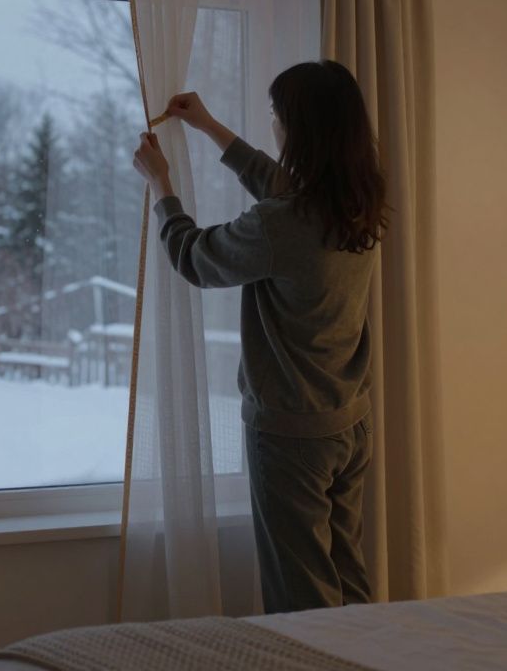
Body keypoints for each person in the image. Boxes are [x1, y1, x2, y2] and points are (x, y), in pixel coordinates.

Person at [131, 59, 387, 614]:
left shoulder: (283, 223)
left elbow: (194, 258)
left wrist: (161, 186)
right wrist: (209, 126)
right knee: (347, 577)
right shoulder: (358, 202)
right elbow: (281, 186)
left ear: (301, 130)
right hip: (348, 422)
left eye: (277, 115)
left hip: (292, 434)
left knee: (302, 595)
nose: (272, 124)